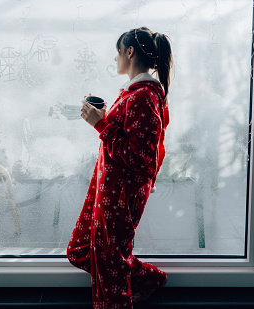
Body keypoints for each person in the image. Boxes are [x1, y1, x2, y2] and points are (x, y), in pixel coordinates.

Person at [67, 26, 173, 308]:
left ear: (129, 52)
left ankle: (128, 290)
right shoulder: (134, 93)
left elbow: (142, 161)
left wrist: (99, 123)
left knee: (110, 273)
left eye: (118, 52)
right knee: (80, 250)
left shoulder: (143, 97)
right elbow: (128, 139)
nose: (115, 59)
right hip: (106, 190)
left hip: (119, 197)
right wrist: (102, 117)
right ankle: (147, 278)